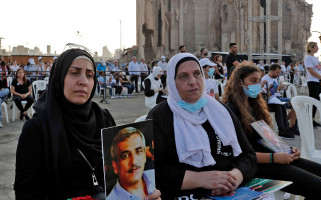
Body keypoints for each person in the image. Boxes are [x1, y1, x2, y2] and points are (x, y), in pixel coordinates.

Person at [14, 49, 161, 200]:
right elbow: (26, 193)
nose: (83, 81)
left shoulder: (103, 119)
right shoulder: (37, 129)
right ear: (59, 77)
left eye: (90, 75)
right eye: (74, 72)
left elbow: (114, 181)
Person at [223, 63, 321, 200]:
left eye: (259, 81)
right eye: (253, 81)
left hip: (277, 158)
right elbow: (237, 154)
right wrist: (274, 158)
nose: (257, 85)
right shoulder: (230, 111)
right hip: (256, 166)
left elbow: (267, 138)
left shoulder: (255, 106)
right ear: (239, 83)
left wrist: (288, 149)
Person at [147, 53, 257, 199]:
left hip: (229, 190)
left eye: (197, 74)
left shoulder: (220, 111)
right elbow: (153, 173)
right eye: (183, 76)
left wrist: (233, 179)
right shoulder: (159, 117)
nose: (193, 82)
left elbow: (248, 156)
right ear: (172, 82)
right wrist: (201, 179)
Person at [107, 127, 156, 200]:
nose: (134, 162)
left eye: (138, 151)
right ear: (115, 166)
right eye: (125, 156)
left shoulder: (155, 175)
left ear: (145, 156)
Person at [261, 63, 298, 139]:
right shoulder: (265, 79)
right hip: (271, 100)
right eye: (277, 72)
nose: (278, 74)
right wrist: (278, 88)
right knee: (283, 106)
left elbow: (275, 91)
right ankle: (286, 129)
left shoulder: (274, 78)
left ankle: (290, 126)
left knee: (295, 102)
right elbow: (266, 95)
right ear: (271, 71)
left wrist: (281, 90)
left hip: (278, 98)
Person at [304, 41, 321, 127]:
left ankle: (312, 119)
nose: (318, 48)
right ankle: (309, 119)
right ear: (311, 48)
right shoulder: (308, 58)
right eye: (316, 47)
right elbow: (310, 70)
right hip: (313, 81)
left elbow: (320, 70)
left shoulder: (316, 58)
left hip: (318, 81)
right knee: (313, 100)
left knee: (317, 100)